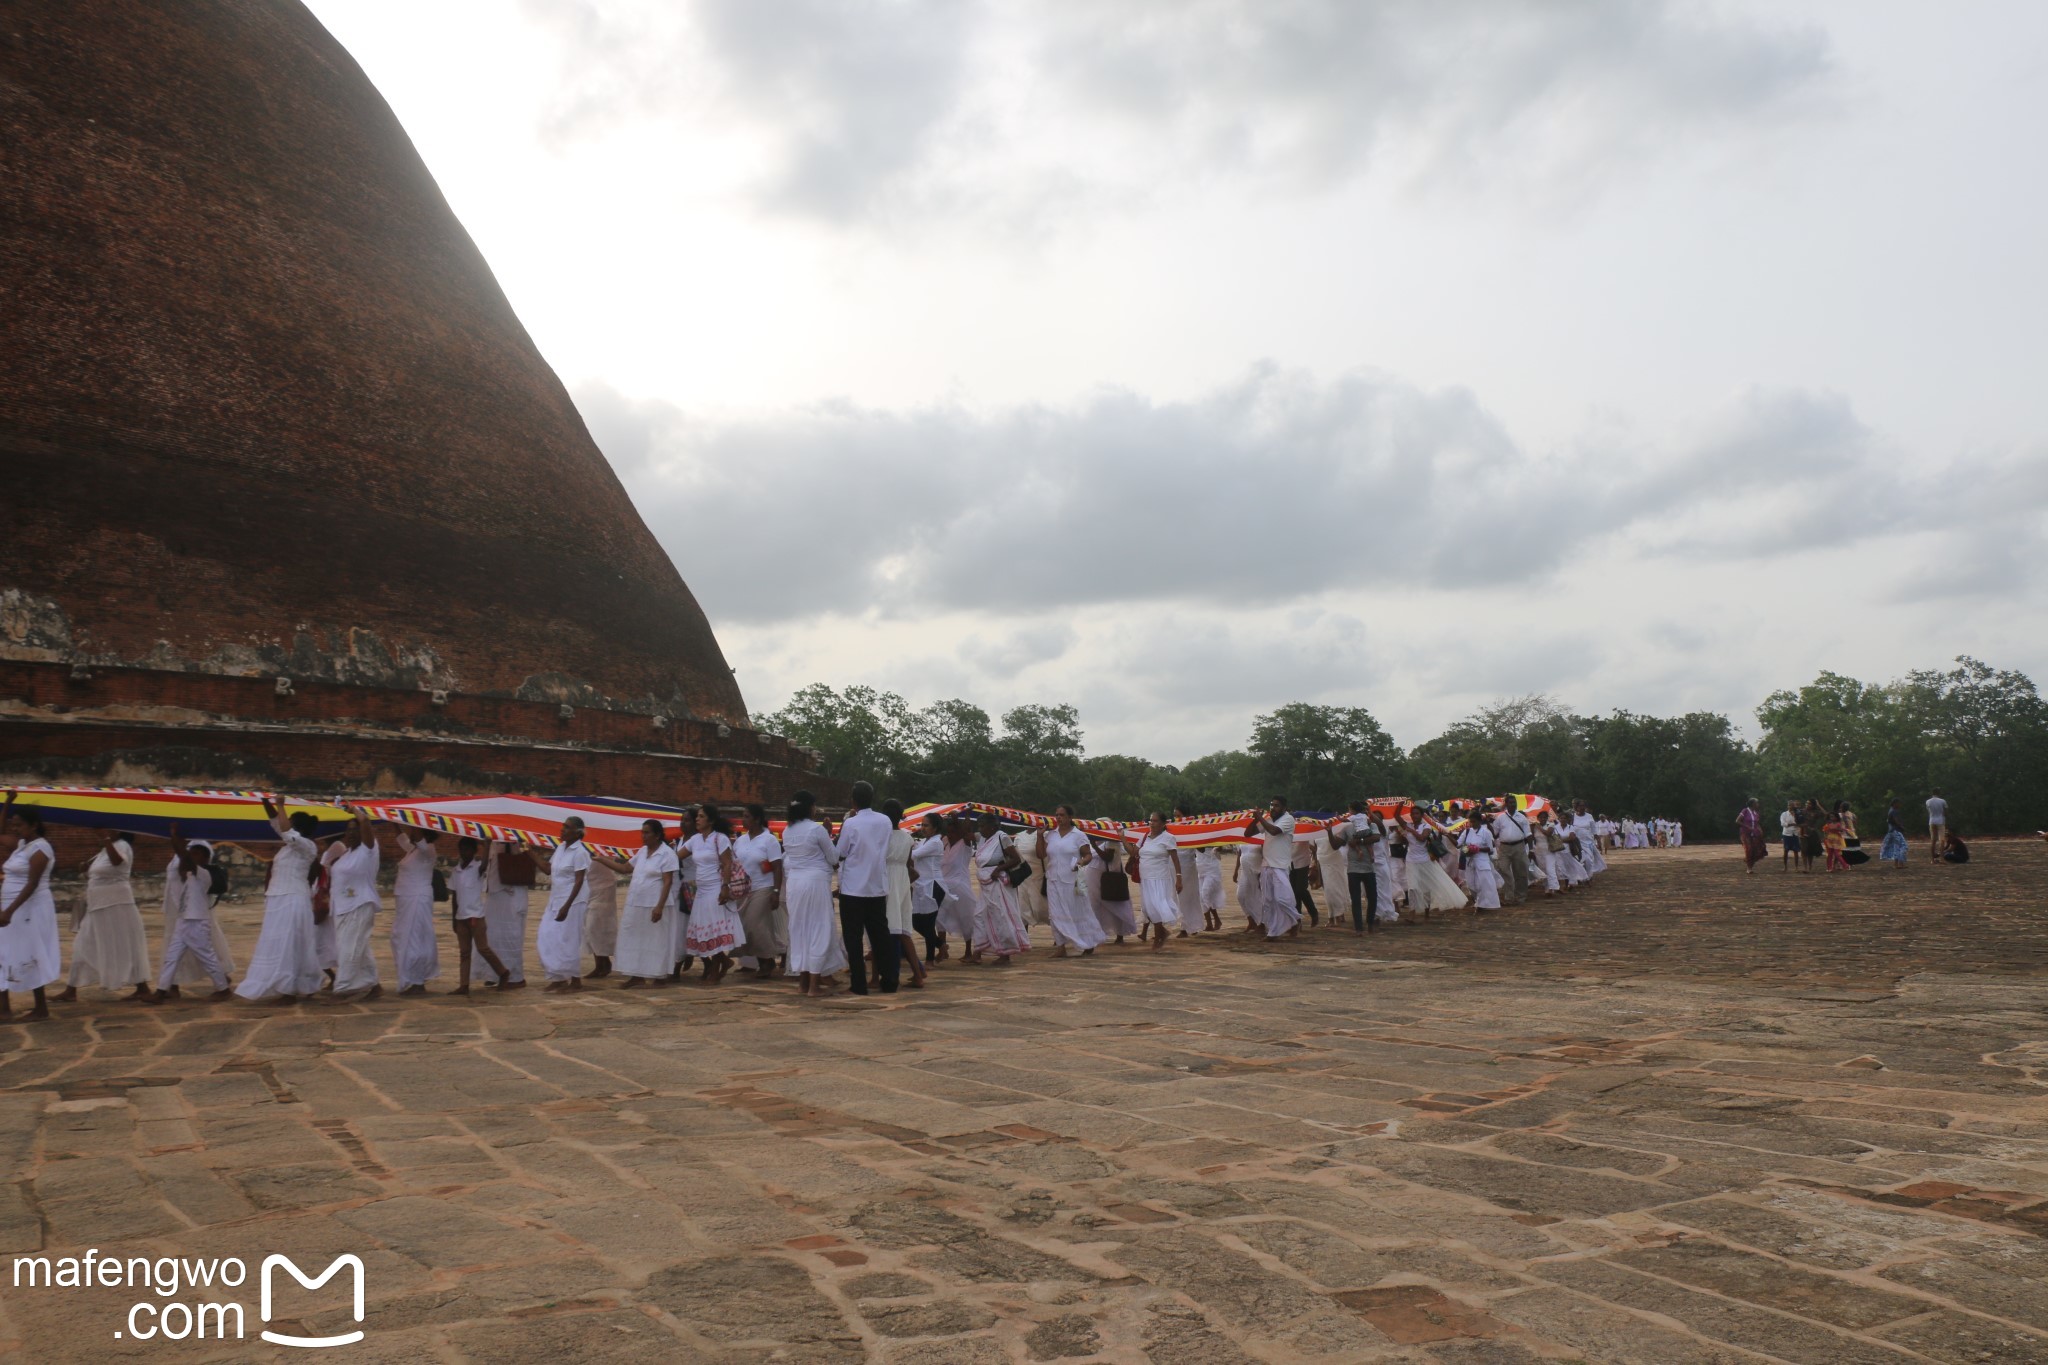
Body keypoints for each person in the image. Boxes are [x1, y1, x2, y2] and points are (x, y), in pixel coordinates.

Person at [235, 797, 325, 1003]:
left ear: (296, 827)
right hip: (278, 899)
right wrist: (265, 800)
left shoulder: (307, 846)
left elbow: (285, 830)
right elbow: (277, 822)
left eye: (290, 821)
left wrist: (282, 805)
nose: (286, 823)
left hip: (293, 899)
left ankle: (288, 989)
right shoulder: (289, 846)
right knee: (280, 944)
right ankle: (299, 985)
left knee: (289, 945)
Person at [58, 828, 153, 1002]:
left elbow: (117, 862)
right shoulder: (104, 849)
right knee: (82, 945)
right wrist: (86, 868)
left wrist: (106, 840)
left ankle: (143, 988)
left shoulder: (122, 845)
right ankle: (70, 990)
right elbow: (100, 874)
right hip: (98, 905)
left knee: (128, 945)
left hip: (117, 904)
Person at [152, 826, 233, 1002]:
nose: (192, 855)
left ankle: (223, 988)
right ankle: (161, 991)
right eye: (191, 852)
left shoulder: (203, 873)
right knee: (171, 957)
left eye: (196, 853)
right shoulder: (188, 873)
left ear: (205, 859)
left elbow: (184, 857)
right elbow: (182, 862)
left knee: (207, 957)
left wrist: (174, 836)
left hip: (197, 922)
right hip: (183, 921)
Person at [834, 782, 897, 995]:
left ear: (853, 800)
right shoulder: (885, 821)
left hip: (853, 889)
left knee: (854, 938)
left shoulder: (851, 824)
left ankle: (859, 984)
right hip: (877, 886)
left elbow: (840, 852)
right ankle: (889, 980)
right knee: (880, 936)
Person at [598, 819, 679, 988]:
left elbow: (668, 881)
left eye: (647, 832)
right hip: (636, 901)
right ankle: (636, 975)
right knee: (633, 937)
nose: (643, 836)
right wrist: (600, 859)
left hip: (654, 903)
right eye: (642, 832)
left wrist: (659, 906)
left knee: (656, 940)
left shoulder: (667, 854)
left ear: (657, 835)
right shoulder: (642, 852)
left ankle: (659, 974)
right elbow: (625, 868)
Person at [0, 802, 61, 1019]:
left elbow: (32, 884)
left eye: (19, 825)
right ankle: (4, 1008)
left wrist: (9, 911)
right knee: (4, 953)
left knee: (31, 953)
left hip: (29, 908)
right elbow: (1, 834)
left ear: (33, 825)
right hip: (11, 906)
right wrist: (6, 805)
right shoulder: (22, 845)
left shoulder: (41, 848)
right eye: (13, 825)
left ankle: (40, 1007)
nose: (15, 829)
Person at [781, 792, 844, 996]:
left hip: (795, 884)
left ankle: (803, 983)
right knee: (818, 929)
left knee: (799, 930)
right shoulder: (816, 831)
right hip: (815, 882)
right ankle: (814, 986)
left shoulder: (787, 831)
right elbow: (834, 857)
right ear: (810, 808)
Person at [683, 805, 745, 984]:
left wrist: (725, 887)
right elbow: (677, 856)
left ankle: (718, 966)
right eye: (697, 816)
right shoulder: (694, 840)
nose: (697, 819)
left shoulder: (720, 838)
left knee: (713, 928)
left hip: (716, 888)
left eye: (701, 816)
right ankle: (722, 962)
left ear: (710, 820)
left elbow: (727, 864)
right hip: (701, 891)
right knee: (705, 928)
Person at [328, 812, 384, 999]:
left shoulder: (368, 850)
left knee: (348, 950)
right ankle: (374, 985)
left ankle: (343, 989)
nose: (351, 834)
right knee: (360, 948)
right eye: (348, 830)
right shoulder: (346, 854)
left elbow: (366, 822)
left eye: (355, 830)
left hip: (359, 904)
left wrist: (355, 810)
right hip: (342, 907)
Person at [532, 818, 593, 990]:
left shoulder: (580, 852)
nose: (562, 830)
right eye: (563, 826)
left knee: (568, 940)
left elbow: (579, 880)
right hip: (556, 899)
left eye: (567, 828)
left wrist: (567, 906)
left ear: (577, 832)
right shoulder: (560, 848)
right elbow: (547, 869)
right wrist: (528, 851)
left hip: (573, 901)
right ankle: (557, 978)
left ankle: (574, 979)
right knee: (547, 936)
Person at [1036, 806, 1104, 957]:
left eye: (1062, 815)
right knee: (1055, 913)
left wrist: (1081, 862)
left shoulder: (1078, 835)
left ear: (1070, 817)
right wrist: (1040, 836)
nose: (1059, 818)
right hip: (1053, 879)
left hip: (1071, 880)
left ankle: (1088, 941)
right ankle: (1061, 946)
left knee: (1077, 911)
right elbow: (1040, 854)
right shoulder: (1051, 835)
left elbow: (1088, 855)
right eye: (1056, 815)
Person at [447, 837, 511, 994]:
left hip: (476, 915)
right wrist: (454, 918)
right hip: (461, 917)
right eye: (462, 849)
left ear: (474, 851)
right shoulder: (456, 872)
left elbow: (484, 864)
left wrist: (487, 845)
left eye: (468, 849)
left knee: (483, 948)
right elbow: (455, 897)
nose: (464, 852)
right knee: (464, 952)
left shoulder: (477, 868)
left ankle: (503, 972)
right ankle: (464, 985)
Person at [970, 811, 1030, 965]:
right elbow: (965, 835)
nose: (981, 829)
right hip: (985, 881)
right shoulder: (982, 838)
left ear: (991, 827)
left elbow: (1016, 859)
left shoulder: (1001, 837)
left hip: (998, 881)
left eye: (983, 826)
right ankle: (978, 950)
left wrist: (998, 869)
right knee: (979, 915)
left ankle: (1006, 953)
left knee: (1001, 916)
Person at [733, 804, 786, 977]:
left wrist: (776, 891)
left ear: (757, 819)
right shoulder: (740, 840)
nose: (743, 819)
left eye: (747, 816)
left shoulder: (768, 840)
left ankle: (767, 960)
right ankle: (764, 958)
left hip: (763, 887)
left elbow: (777, 867)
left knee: (754, 924)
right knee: (744, 927)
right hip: (743, 889)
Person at [390, 827, 441, 995]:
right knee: (400, 938)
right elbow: (401, 838)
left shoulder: (428, 850)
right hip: (406, 901)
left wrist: (415, 820)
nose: (411, 832)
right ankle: (411, 978)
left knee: (416, 940)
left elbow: (418, 838)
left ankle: (418, 982)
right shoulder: (413, 851)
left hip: (418, 900)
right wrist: (391, 818)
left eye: (414, 829)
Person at [881, 800, 925, 989]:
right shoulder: (908, 838)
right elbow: (909, 865)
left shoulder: (882, 836)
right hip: (902, 880)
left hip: (887, 879)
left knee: (883, 929)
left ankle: (878, 976)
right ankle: (918, 974)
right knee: (903, 931)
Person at [478, 838, 533, 989]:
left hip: (511, 892)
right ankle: (495, 973)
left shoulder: (514, 836)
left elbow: (524, 850)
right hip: (496, 892)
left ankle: (515, 977)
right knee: (493, 935)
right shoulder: (494, 838)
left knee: (511, 936)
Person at [1248, 798, 1302, 938]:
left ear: (1284, 808)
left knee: (1282, 899)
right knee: (1268, 901)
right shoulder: (1268, 820)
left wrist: (1260, 817)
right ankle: (1273, 932)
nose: (1273, 808)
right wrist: (1255, 819)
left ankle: (1294, 920)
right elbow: (1247, 834)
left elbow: (1274, 831)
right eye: (1271, 805)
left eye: (1276, 805)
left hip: (1280, 865)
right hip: (1266, 865)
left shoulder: (1288, 819)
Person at [1134, 812, 1181, 951]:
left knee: (1157, 906)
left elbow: (1175, 859)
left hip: (1160, 878)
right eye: (1150, 820)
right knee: (1148, 908)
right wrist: (1122, 838)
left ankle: (1158, 937)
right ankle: (1162, 933)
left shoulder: (1168, 838)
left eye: (1155, 821)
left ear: (1163, 823)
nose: (1152, 823)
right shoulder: (1144, 837)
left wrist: (1179, 878)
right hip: (1146, 878)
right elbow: (1133, 852)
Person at [936, 816, 979, 958]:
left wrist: (961, 815)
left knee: (965, 917)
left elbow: (967, 828)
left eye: (953, 832)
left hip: (960, 885)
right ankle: (942, 949)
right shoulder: (944, 841)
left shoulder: (965, 842)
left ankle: (968, 951)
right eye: (948, 832)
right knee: (939, 917)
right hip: (943, 884)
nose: (950, 835)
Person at [910, 813, 947, 963]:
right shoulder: (924, 841)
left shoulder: (936, 842)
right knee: (916, 921)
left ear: (935, 828)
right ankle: (940, 944)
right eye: (922, 825)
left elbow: (913, 855)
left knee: (929, 922)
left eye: (926, 825)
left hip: (933, 885)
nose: (922, 828)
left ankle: (930, 959)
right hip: (921, 885)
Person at [1087, 834, 1136, 944]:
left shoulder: (1111, 841)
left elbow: (1108, 858)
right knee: (1095, 906)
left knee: (1115, 905)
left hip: (1109, 879)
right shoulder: (1093, 841)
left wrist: (1094, 846)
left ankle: (1120, 934)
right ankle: (1096, 933)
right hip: (1094, 879)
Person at [583, 853, 618, 981]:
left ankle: (604, 962)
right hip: (588, 886)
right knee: (589, 927)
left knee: (596, 925)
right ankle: (601, 962)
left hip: (604, 887)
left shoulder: (602, 843)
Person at [1171, 806, 1205, 936]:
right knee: (1178, 897)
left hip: (1188, 867)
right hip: (1174, 866)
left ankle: (1189, 927)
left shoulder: (1192, 828)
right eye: (1174, 815)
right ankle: (1186, 925)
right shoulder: (1171, 829)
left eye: (1178, 815)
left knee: (1189, 897)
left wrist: (1197, 837)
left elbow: (1201, 849)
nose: (1175, 818)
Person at [1493, 797, 1532, 904]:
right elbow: (1495, 834)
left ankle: (1521, 896)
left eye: (1514, 802)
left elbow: (1528, 834)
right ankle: (1509, 896)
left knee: (1520, 872)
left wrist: (1531, 849)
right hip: (1504, 847)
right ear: (1506, 804)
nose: (1512, 804)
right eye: (1510, 802)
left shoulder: (1522, 817)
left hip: (1519, 846)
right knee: (1503, 870)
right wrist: (1488, 823)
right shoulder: (1500, 818)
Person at [1459, 816, 1501, 910]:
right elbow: (1459, 845)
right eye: (1471, 822)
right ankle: (1478, 901)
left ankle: (1483, 904)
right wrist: (1467, 849)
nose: (1472, 824)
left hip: (1482, 860)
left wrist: (1477, 849)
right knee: (1471, 884)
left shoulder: (1485, 832)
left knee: (1483, 883)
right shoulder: (1467, 831)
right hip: (1470, 861)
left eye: (1474, 821)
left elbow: (1490, 849)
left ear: (1479, 821)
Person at [1234, 838, 1266, 932]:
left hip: (1257, 871)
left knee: (1257, 896)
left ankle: (1262, 923)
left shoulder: (1261, 836)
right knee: (1240, 896)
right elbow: (1239, 854)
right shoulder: (1241, 837)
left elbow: (1265, 856)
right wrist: (1236, 870)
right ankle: (1251, 921)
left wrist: (1263, 873)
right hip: (1245, 871)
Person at [1195, 844, 1225, 931]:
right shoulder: (1195, 836)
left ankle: (1216, 919)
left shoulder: (1211, 835)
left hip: (1212, 869)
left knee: (1205, 893)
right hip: (1200, 868)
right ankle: (1209, 924)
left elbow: (1220, 847)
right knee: (1201, 897)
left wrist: (1217, 848)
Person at [1736, 799, 1767, 874]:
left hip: (1755, 833)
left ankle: (1750, 864)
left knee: (1755, 850)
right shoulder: (1745, 811)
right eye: (1756, 803)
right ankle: (1749, 868)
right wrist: (1747, 826)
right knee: (1748, 849)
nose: (1758, 804)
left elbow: (1757, 823)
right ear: (1752, 804)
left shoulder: (1756, 813)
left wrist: (1760, 830)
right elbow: (1737, 821)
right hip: (1745, 833)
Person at [1879, 799, 1910, 869]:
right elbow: (1896, 821)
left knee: (1897, 847)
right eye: (1898, 803)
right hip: (1896, 831)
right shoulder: (1894, 811)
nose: (1900, 805)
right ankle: (1900, 864)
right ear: (1894, 803)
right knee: (1903, 846)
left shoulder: (1891, 810)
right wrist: (1903, 828)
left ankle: (1897, 864)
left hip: (1892, 831)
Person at [1800, 798, 1824, 874]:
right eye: (1806, 803)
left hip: (1812, 833)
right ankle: (1805, 867)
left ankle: (1810, 866)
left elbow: (1825, 814)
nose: (1807, 805)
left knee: (1810, 851)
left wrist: (1818, 805)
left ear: (1813, 805)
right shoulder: (1802, 811)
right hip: (1803, 832)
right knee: (1804, 850)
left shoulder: (1815, 812)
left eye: (1809, 803)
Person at [1926, 790, 1949, 864]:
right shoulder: (1942, 801)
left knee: (1933, 841)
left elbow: (1929, 812)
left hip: (1932, 821)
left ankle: (1932, 860)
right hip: (1940, 821)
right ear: (1939, 793)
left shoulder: (1928, 801)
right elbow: (1945, 812)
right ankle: (1942, 859)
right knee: (1941, 840)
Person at [1780, 800, 1801, 871]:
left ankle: (1796, 867)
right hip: (1787, 834)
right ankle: (1785, 867)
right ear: (1787, 806)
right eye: (1789, 805)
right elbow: (1783, 824)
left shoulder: (1798, 814)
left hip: (1795, 834)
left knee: (1796, 851)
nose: (1791, 806)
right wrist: (1792, 824)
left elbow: (1800, 823)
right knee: (1786, 850)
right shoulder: (1784, 814)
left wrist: (1795, 819)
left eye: (1792, 805)